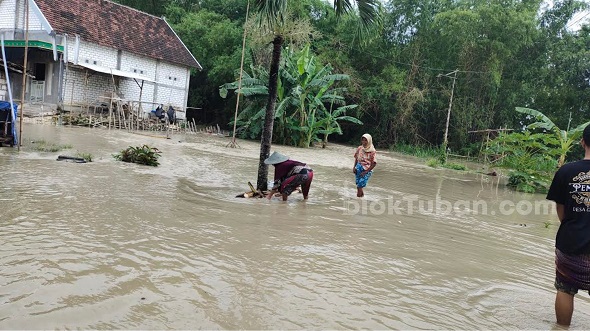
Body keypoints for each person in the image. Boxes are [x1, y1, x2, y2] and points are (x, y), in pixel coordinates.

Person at [546, 124, 590, 326]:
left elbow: (561, 210)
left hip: (571, 240)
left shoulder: (566, 171)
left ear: (582, 142)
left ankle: (562, 329)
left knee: (565, 288)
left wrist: (575, 226)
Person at [353, 133, 377, 197]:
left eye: (365, 140)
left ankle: (358, 199)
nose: (364, 142)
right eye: (362, 140)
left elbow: (374, 163)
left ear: (369, 141)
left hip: (366, 170)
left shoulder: (372, 151)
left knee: (359, 186)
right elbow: (356, 158)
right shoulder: (360, 148)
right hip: (358, 167)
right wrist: (354, 167)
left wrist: (366, 171)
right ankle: (361, 198)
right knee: (358, 184)